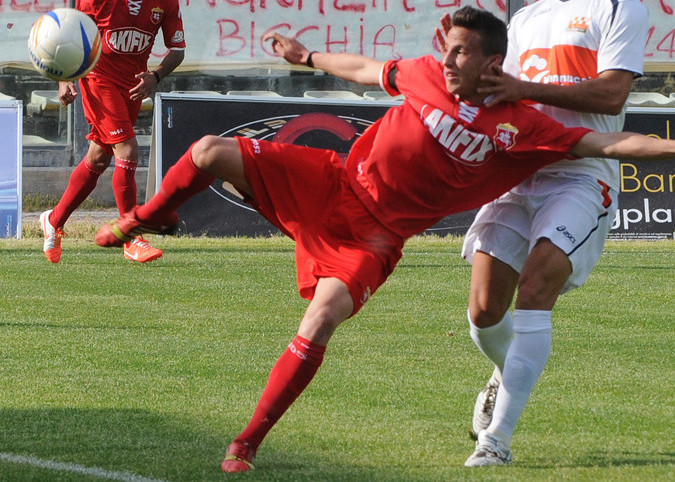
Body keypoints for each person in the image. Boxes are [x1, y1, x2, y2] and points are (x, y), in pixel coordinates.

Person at [94, 7, 672, 473]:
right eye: (447, 46)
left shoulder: (518, 125)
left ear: (494, 63)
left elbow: (609, 144)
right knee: (209, 151)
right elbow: (370, 70)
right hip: (333, 181)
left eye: (461, 50)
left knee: (320, 320)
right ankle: (141, 217)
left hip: (376, 237)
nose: (447, 57)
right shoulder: (427, 72)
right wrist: (308, 57)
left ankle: (245, 444)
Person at [436, 0, 650, 468]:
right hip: (519, 169)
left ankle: (495, 442)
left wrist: (523, 87)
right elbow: (496, 91)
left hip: (581, 172)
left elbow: (612, 95)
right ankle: (506, 371)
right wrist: (457, 68)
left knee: (535, 288)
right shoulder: (527, 17)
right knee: (483, 312)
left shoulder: (619, 7)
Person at [39, 0, 186, 264]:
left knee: (98, 157)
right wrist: (64, 78)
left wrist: (156, 76)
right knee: (128, 148)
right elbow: (69, 34)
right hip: (98, 79)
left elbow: (177, 50)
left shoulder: (166, 3)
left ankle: (54, 220)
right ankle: (131, 236)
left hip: (133, 86)